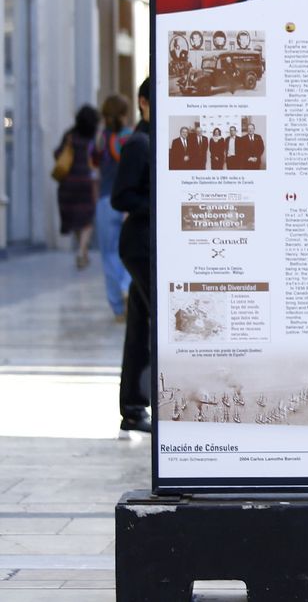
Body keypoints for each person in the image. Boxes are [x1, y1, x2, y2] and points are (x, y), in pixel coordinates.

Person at [112, 78, 155, 436]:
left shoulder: (154, 138)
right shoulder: (139, 144)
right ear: (143, 102)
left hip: (146, 243)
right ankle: (138, 405)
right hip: (139, 244)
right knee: (152, 322)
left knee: (141, 325)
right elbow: (120, 197)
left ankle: (133, 408)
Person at [92, 96, 134, 317]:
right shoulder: (130, 137)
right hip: (127, 201)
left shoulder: (99, 139)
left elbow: (93, 165)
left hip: (105, 201)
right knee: (129, 250)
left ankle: (117, 307)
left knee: (108, 254)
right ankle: (127, 285)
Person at [55, 105, 101, 270]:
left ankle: (83, 251)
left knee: (75, 219)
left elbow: (57, 154)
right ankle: (82, 251)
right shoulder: (91, 139)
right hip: (85, 184)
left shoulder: (69, 136)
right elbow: (96, 159)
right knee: (87, 220)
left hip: (67, 185)